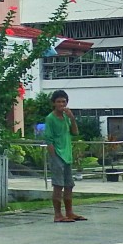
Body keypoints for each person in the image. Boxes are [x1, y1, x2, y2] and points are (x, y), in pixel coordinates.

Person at [42, 90, 86, 223]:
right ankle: (58, 215)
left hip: (67, 155)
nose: (61, 104)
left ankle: (69, 212)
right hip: (57, 155)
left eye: (64, 101)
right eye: (58, 101)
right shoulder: (50, 118)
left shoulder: (67, 117)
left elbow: (75, 132)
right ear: (54, 103)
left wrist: (72, 118)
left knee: (69, 185)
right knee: (58, 185)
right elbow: (48, 140)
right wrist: (54, 156)